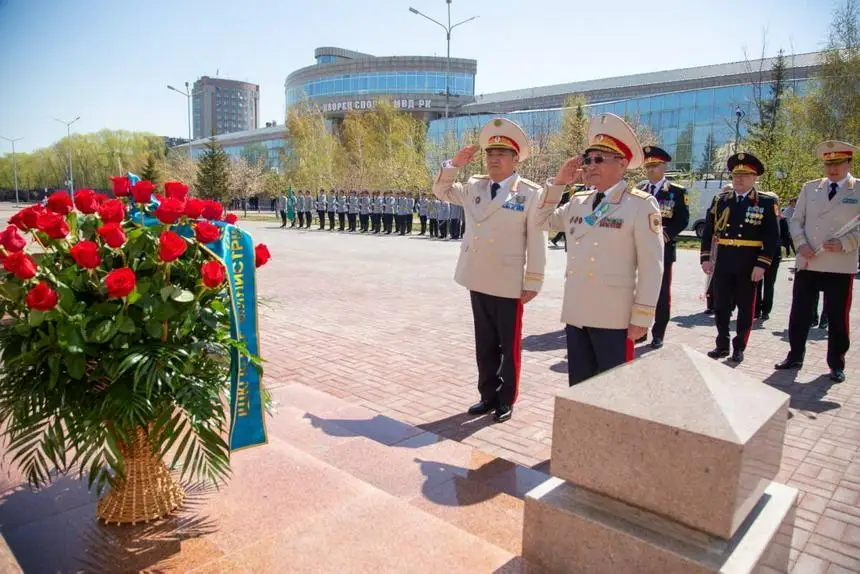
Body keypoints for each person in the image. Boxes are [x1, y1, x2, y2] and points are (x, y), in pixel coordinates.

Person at [433, 117, 552, 423]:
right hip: (478, 276)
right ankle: (487, 395)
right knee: (484, 343)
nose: (494, 159)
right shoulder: (475, 186)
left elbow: (536, 240)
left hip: (508, 281)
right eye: (490, 154)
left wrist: (533, 280)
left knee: (508, 346)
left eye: (502, 154)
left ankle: (505, 399)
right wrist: (454, 164)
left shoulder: (530, 193)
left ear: (515, 160)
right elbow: (441, 190)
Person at [543, 113, 663, 385]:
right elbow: (542, 220)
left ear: (622, 164)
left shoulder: (640, 205)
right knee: (579, 388)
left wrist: (642, 316)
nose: (590, 166)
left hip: (614, 316)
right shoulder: (579, 201)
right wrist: (559, 183)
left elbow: (651, 266)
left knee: (613, 390)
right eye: (588, 159)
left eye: (599, 159)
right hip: (577, 312)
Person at [775, 140, 859, 383]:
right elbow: (795, 220)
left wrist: (846, 243)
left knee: (837, 317)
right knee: (799, 313)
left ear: (849, 163)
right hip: (809, 260)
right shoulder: (810, 188)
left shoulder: (857, 189)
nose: (832, 169)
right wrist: (801, 244)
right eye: (828, 164)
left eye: (838, 163)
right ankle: (794, 356)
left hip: (839, 263)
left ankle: (836, 364)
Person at [700, 152, 779, 363]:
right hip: (724, 260)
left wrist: (762, 264)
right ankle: (722, 344)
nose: (739, 179)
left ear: (755, 178)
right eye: (736, 175)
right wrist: (706, 258)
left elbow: (772, 237)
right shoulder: (721, 200)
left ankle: (739, 346)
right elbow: (708, 231)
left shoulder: (765, 202)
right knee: (721, 306)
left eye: (744, 175)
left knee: (745, 307)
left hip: (748, 262)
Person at [636, 146, 690, 349]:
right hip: (639, 249)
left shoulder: (677, 192)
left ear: (664, 166)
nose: (650, 170)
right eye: (648, 166)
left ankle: (658, 333)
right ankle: (640, 330)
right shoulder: (638, 190)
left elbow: (682, 220)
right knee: (639, 291)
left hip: (663, 250)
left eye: (655, 165)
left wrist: (663, 237)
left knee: (661, 294)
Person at [756, 195, 783, 321]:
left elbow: (784, 237)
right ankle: (756, 309)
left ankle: (766, 310)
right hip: (759, 252)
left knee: (769, 283)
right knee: (756, 282)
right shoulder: (759, 217)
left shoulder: (781, 219)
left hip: (774, 254)